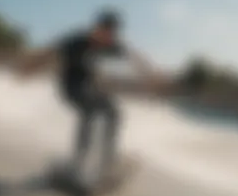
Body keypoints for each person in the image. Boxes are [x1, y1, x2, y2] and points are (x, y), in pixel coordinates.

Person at [17, 9, 162, 181]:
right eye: (104, 31)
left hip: (91, 88)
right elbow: (51, 52)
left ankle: (107, 159)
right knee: (89, 113)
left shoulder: (113, 45)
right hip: (71, 88)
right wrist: (30, 68)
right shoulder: (77, 41)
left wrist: (151, 75)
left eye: (111, 34)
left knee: (114, 114)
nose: (107, 37)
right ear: (97, 28)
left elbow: (134, 57)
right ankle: (78, 161)